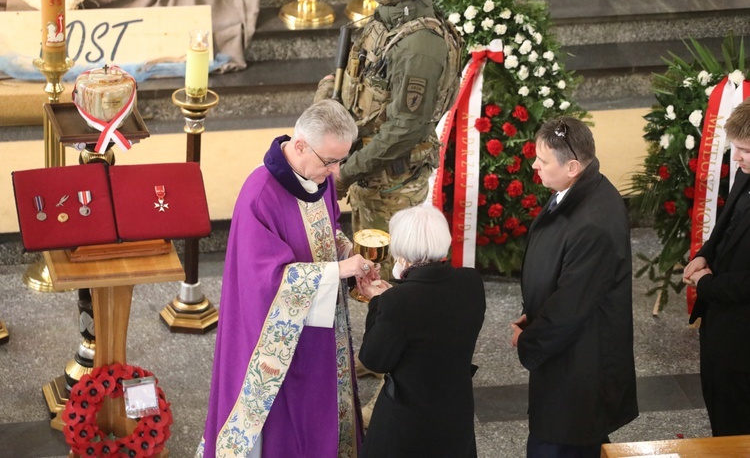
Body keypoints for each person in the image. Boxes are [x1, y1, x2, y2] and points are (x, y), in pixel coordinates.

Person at [197, 99, 376, 457]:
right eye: (331, 161)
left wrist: (347, 253)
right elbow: (264, 281)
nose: (337, 172)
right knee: (287, 424)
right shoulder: (260, 195)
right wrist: (337, 271)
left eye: (341, 160)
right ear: (299, 146)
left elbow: (329, 230)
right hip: (278, 341)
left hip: (322, 327)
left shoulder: (315, 177)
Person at [315, 0, 462, 279]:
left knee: (391, 280)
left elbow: (405, 129)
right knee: (368, 277)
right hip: (369, 177)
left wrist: (344, 174)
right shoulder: (385, 22)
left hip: (392, 188)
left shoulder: (419, 47)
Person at [510, 117, 638, 457]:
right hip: (567, 349)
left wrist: (529, 341)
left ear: (572, 166)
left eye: (543, 160)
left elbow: (571, 307)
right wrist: (532, 312)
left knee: (560, 442)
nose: (534, 165)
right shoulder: (579, 191)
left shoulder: (594, 222)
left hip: (581, 362)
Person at [357, 205, 485, 457]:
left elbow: (374, 359)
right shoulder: (471, 282)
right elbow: (431, 307)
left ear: (401, 253)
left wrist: (377, 303)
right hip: (455, 412)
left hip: (408, 422)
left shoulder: (397, 302)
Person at [683, 97, 750, 437]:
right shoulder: (745, 173)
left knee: (738, 424)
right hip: (721, 328)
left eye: (745, 150)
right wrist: (704, 254)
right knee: (719, 409)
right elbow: (725, 224)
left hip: (744, 337)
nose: (736, 158)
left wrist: (706, 285)